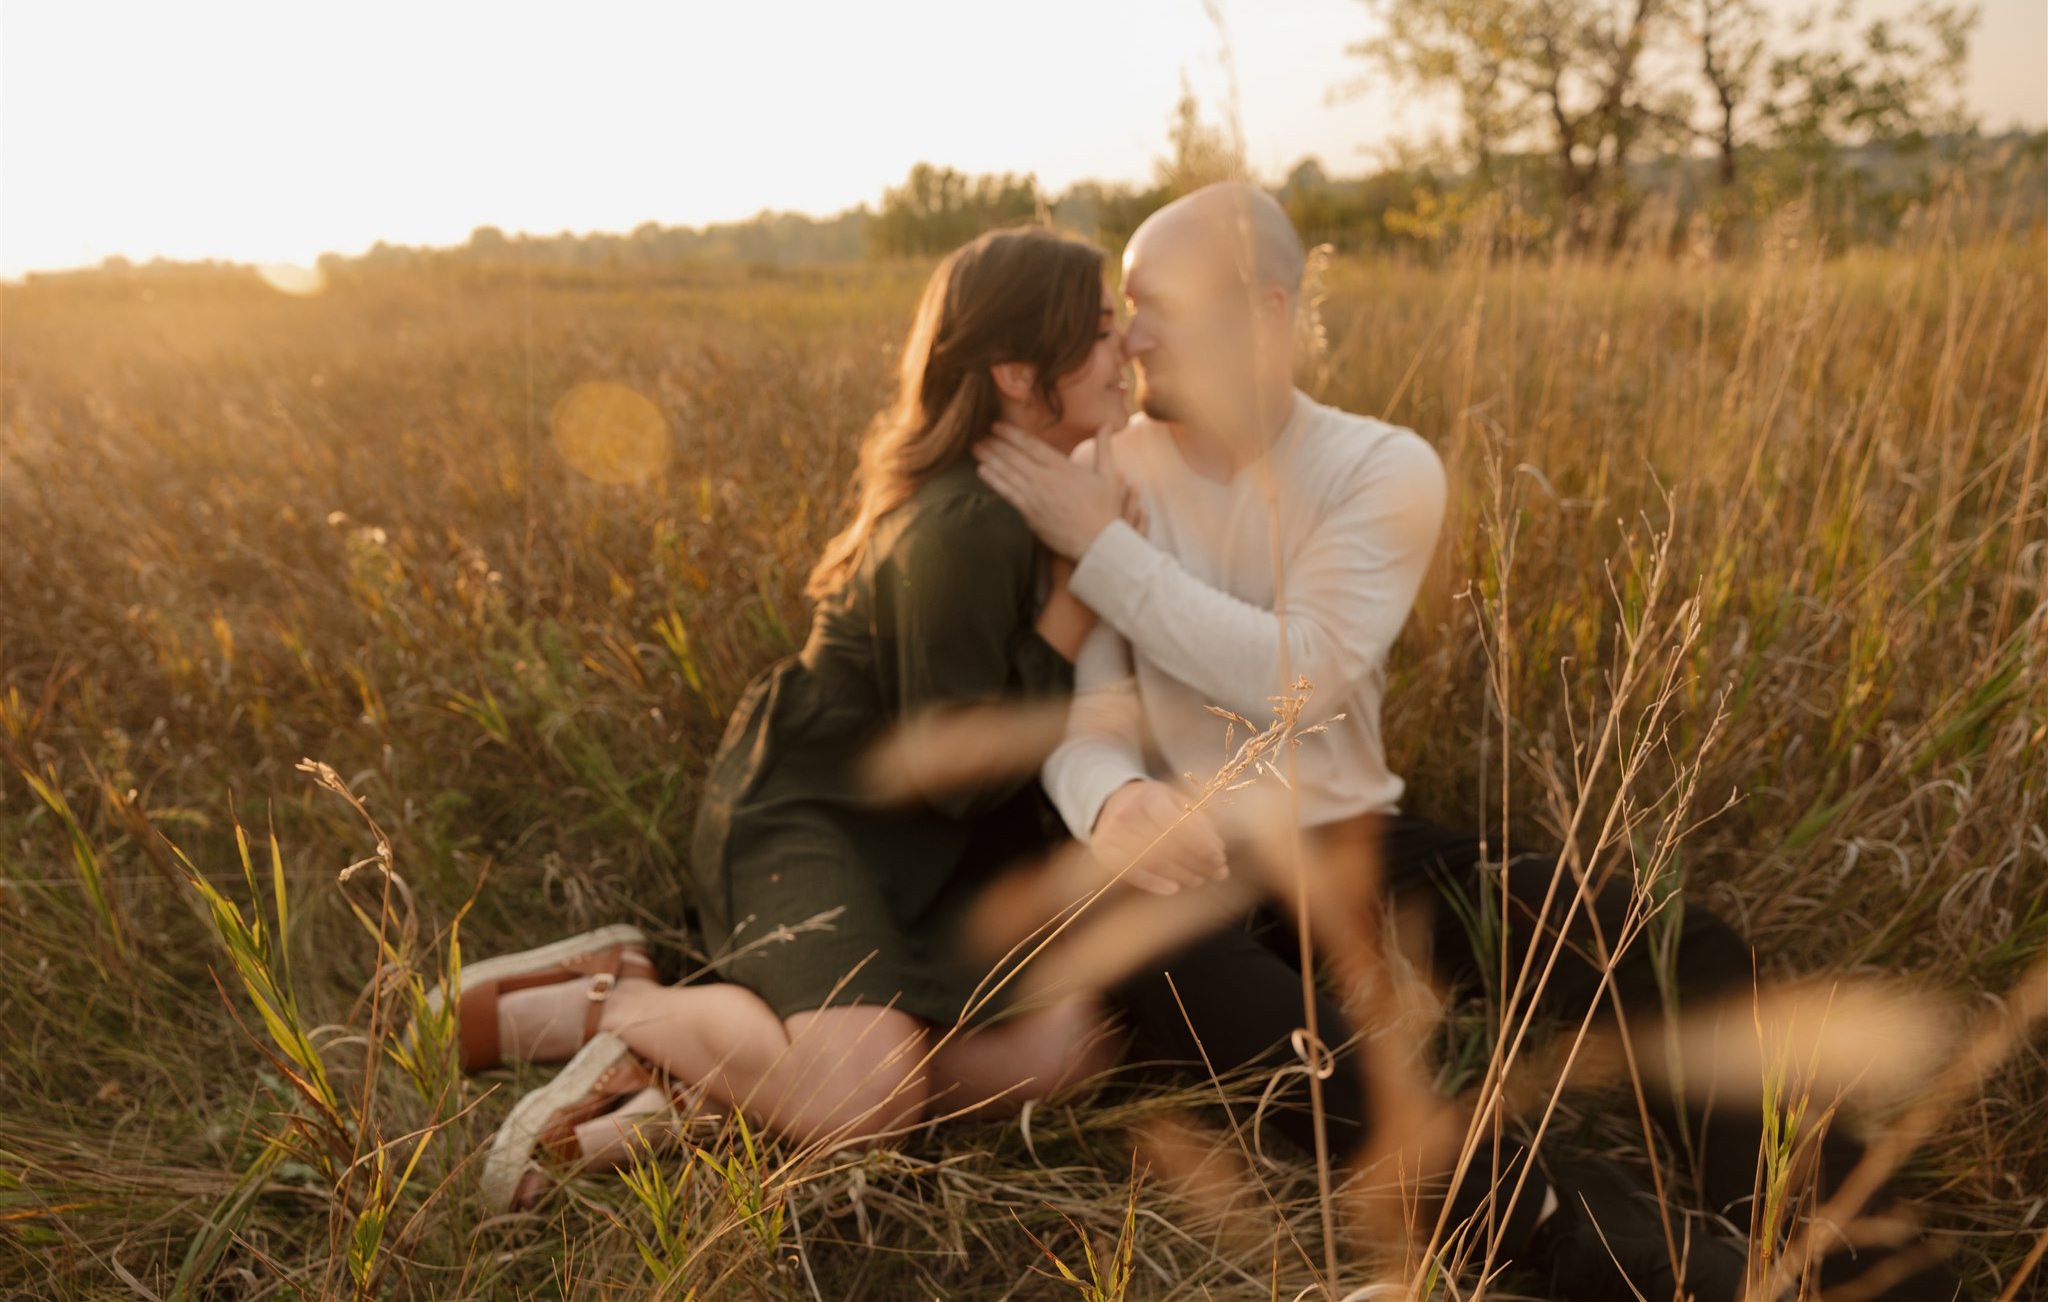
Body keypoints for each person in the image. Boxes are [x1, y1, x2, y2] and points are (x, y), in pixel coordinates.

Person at [970, 181, 1959, 1301]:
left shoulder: (1379, 466)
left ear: (1264, 309)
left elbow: (1297, 672)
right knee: (1180, 960)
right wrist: (1110, 803)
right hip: (1188, 865)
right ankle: (1563, 1225)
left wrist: (1102, 549)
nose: (1127, 331)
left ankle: (1835, 1254)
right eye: (1124, 307)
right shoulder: (1102, 466)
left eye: (1157, 303)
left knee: (1680, 946)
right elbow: (1081, 713)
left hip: (1351, 841)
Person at [432, 225, 1138, 1213]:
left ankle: (714, 1084)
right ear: (1018, 371)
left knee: (1071, 1050)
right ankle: (623, 1002)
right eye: (1102, 331)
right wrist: (1075, 592)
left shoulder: (1035, 495)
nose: (1128, 348)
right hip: (817, 816)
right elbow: (962, 770)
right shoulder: (964, 522)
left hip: (935, 852)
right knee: (866, 1097)